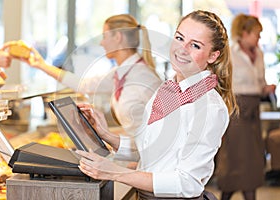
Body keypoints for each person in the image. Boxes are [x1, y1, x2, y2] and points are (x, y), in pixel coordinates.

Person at [76, 10, 238, 199]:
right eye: (179, 38)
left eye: (195, 45)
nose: (182, 49)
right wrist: (106, 135)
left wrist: (114, 172)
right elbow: (150, 149)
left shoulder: (209, 107)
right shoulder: (167, 89)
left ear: (213, 56)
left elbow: (188, 183)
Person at [21, 14, 162, 135]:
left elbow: (156, 131)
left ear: (118, 37)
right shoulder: (122, 73)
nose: (102, 43)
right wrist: (41, 65)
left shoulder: (143, 77)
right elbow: (84, 85)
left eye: (104, 36)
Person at [215, 13, 276, 200]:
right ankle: (227, 193)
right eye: (256, 33)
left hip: (253, 109)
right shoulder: (230, 54)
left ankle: (250, 194)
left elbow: (259, 82)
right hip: (236, 109)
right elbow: (222, 83)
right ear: (244, 32)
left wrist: (267, 88)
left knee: (253, 157)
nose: (259, 37)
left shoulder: (259, 54)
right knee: (233, 157)